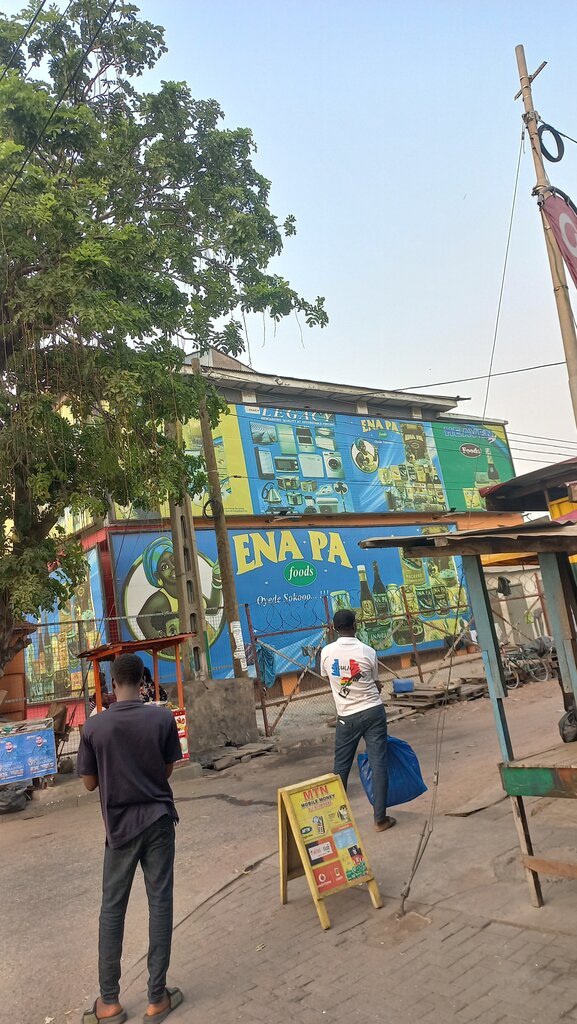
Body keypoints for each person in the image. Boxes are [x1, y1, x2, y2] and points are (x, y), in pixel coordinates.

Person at [77, 653, 184, 1024]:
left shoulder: (95, 728)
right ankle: (157, 998)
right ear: (143, 681)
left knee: (112, 909)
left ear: (110, 683)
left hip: (119, 829)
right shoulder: (162, 717)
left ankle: (108, 1002)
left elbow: (90, 783)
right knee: (160, 903)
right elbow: (167, 769)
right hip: (157, 821)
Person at [320, 609, 396, 833]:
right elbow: (374, 681)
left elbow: (329, 678)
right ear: (356, 625)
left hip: (346, 716)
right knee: (378, 762)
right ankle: (380, 819)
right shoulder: (368, 651)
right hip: (373, 711)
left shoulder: (326, 652)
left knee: (340, 767)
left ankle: (337, 821)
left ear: (334, 629)